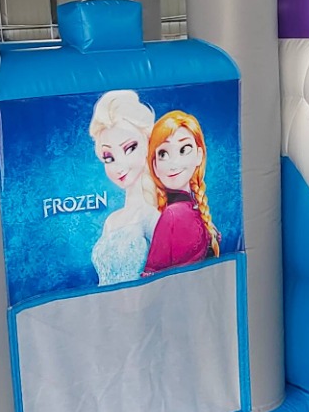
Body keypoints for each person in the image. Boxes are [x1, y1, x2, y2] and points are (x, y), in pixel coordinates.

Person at [87, 92, 157, 286]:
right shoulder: (111, 221)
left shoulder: (152, 216)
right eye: (109, 157)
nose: (119, 166)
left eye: (130, 148)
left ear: (148, 143)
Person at [144, 110, 219, 274]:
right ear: (154, 165)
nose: (174, 163)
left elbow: (152, 280)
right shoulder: (189, 212)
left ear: (199, 155)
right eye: (163, 154)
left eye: (184, 149)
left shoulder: (173, 214)